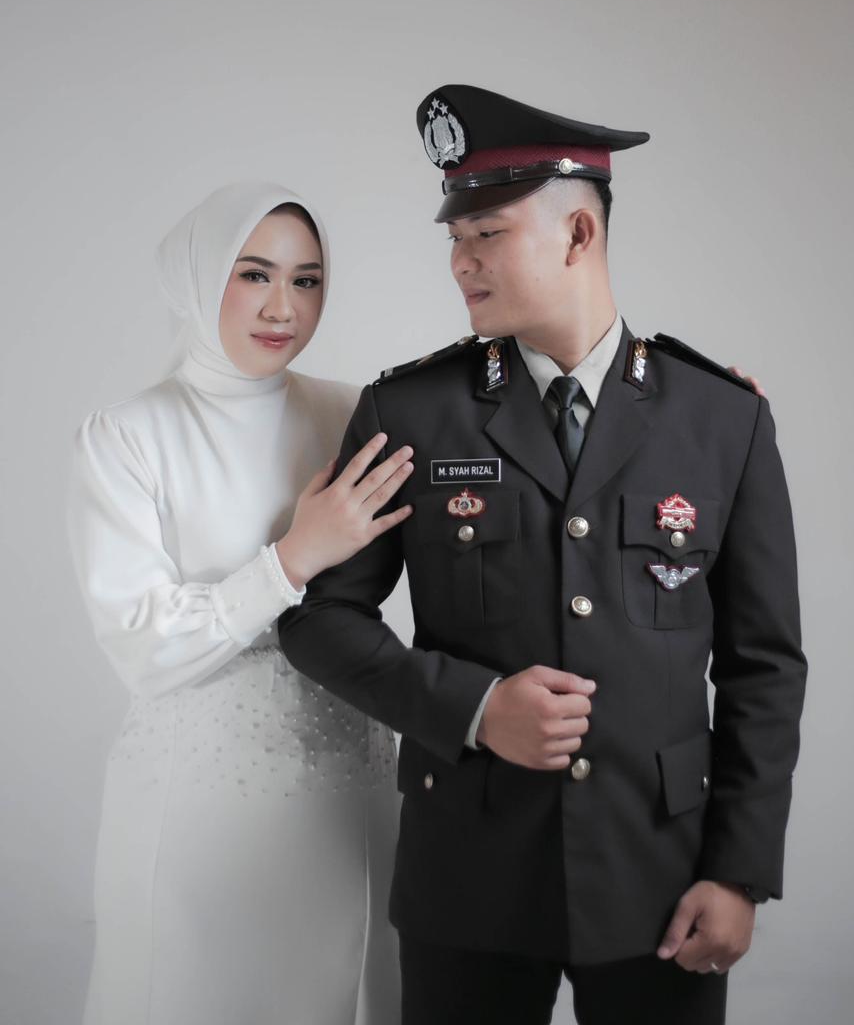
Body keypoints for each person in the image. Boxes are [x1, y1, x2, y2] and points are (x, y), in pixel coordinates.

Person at [279, 85, 807, 1025]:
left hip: (663, 875)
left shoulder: (721, 419)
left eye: (486, 234)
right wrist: (477, 709)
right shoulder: (412, 411)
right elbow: (321, 623)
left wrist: (739, 872)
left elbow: (764, 667)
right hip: (468, 876)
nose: (460, 261)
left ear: (577, 234)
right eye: (455, 237)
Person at [68, 182, 414, 1025]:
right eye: (254, 274)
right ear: (198, 276)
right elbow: (143, 646)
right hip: (198, 806)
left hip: (350, 789)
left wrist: (687, 412)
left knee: (350, 989)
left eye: (307, 280)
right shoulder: (128, 436)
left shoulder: (350, 413)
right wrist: (293, 558)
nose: (282, 308)